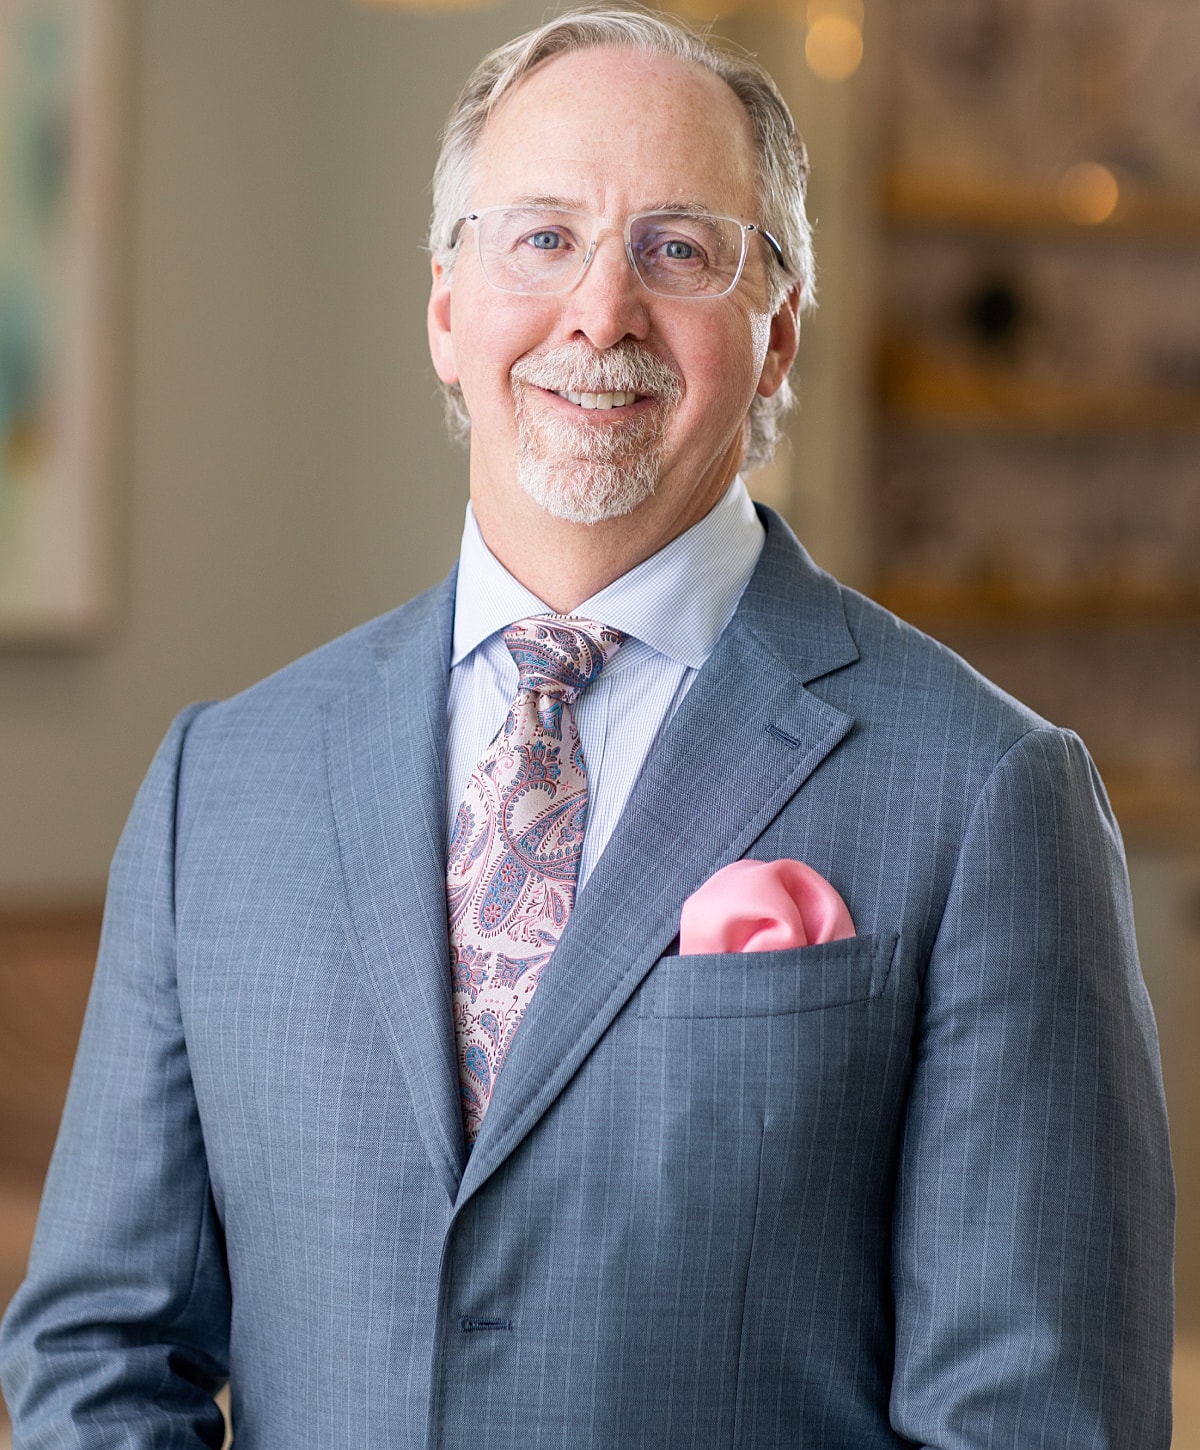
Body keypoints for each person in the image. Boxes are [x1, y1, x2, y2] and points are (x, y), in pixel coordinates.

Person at [0, 7, 1174, 1446]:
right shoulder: (216, 786)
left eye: (678, 249)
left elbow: (1034, 1420)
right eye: (541, 238)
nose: (600, 313)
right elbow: (97, 1353)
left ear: (778, 330)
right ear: (445, 305)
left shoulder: (992, 792)